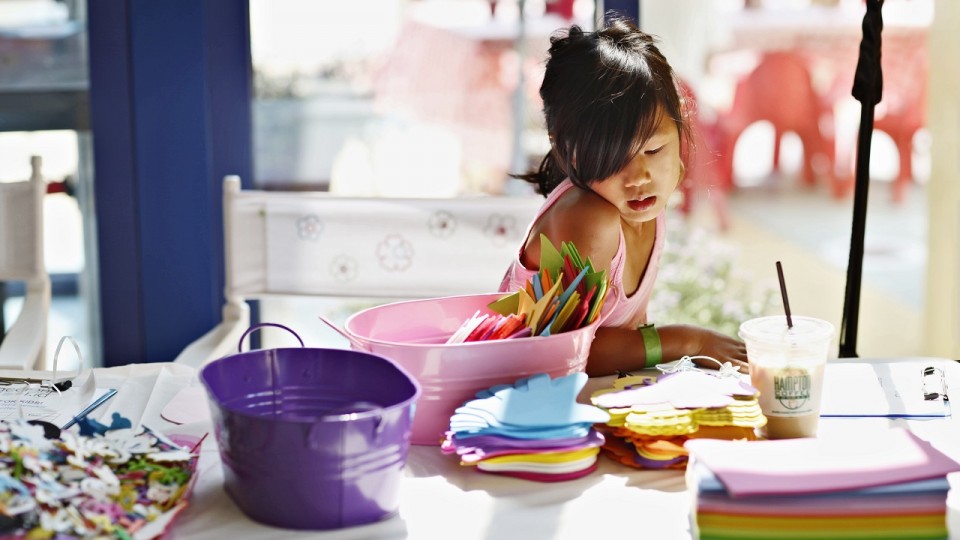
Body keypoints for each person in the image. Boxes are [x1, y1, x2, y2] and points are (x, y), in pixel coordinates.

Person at [499, 17, 748, 377]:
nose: (639, 177)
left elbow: (629, 335)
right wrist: (689, 341)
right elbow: (569, 355)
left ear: (680, 128)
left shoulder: (643, 205)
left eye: (654, 150)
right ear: (565, 148)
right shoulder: (590, 218)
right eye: (616, 158)